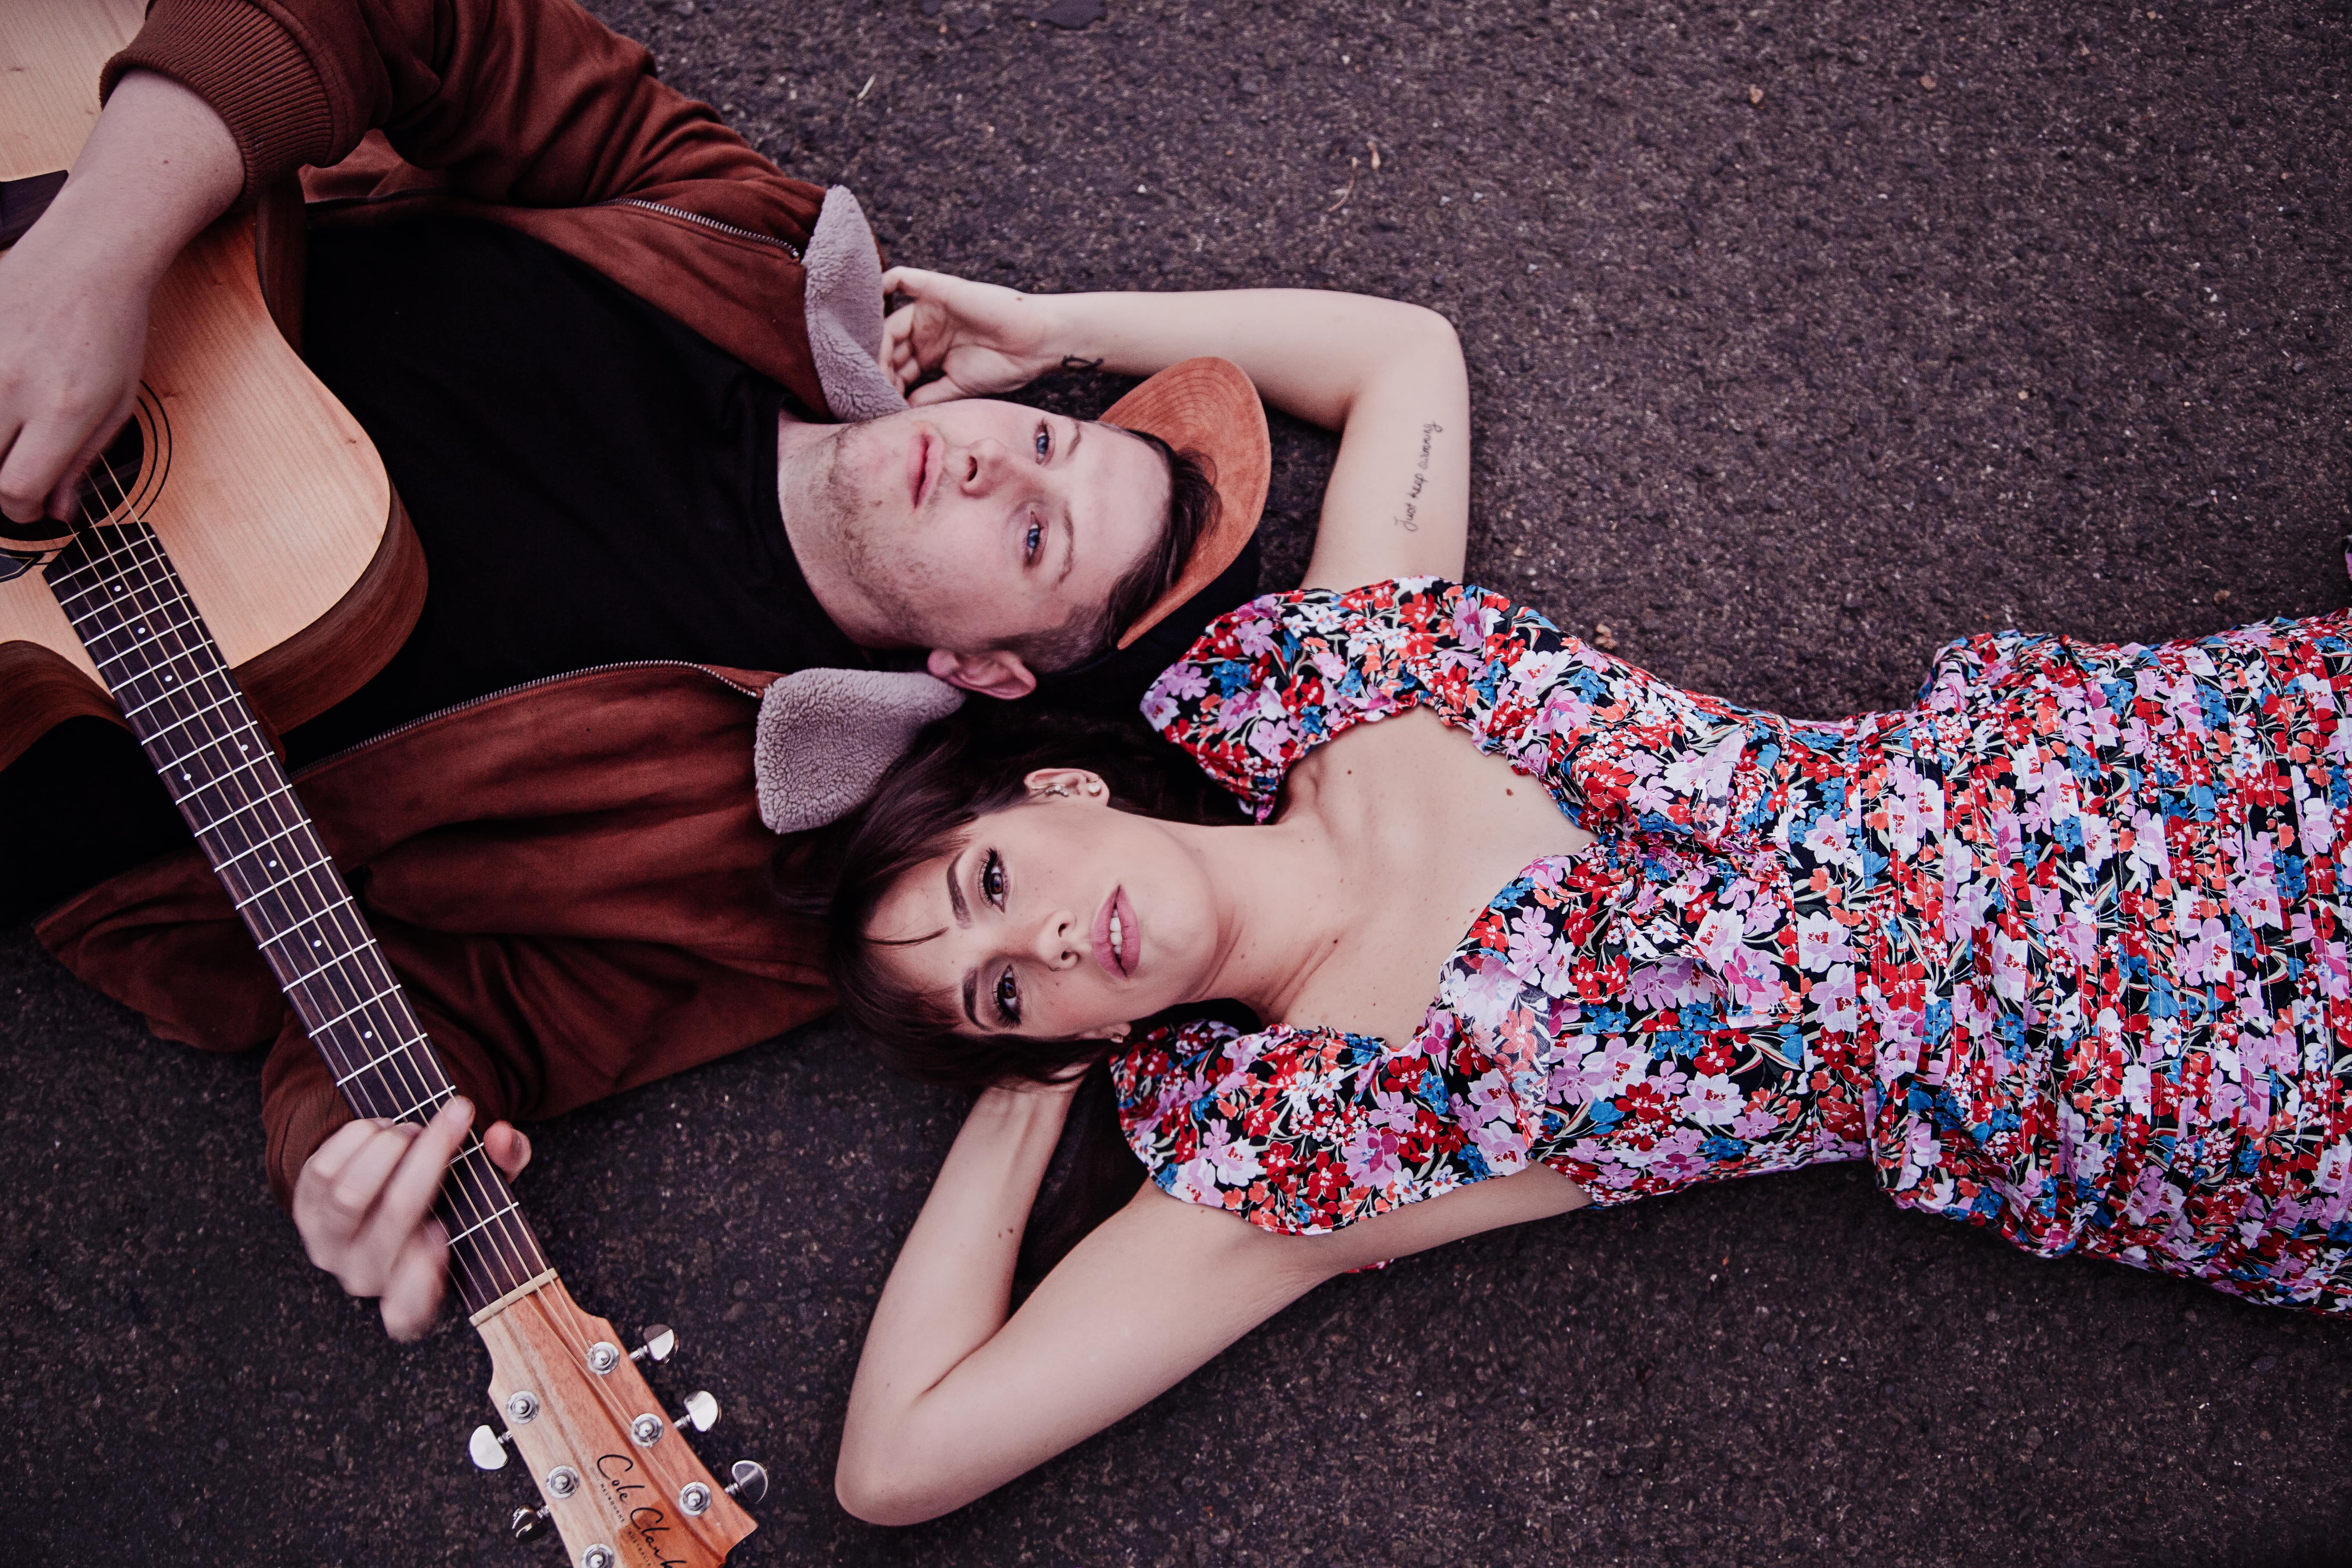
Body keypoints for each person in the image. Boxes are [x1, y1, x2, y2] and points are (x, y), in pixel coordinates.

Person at [0, 0, 1474, 1338]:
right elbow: (411, 22)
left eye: (1034, 541)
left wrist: (348, 1157)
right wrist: (87, 262)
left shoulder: (782, 869)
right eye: (1045, 440)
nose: (984, 465)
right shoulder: (736, 234)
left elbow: (471, 1022)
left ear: (989, 672)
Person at [800, 572, 2352, 1515]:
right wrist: (1029, 1082)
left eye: (992, 887)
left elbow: (1400, 355)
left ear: (1056, 793)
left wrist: (1044, 325)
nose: (1047, 943)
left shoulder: (1328, 676)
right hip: (2161, 1055)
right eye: (1007, 988)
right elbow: (897, 1465)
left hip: (2157, 758)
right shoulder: (1291, 1157)